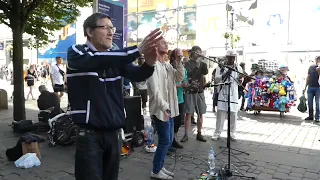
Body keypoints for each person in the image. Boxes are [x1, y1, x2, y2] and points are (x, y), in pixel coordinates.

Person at [66, 13, 162, 180]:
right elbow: (97, 60)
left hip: (114, 133)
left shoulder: (115, 57)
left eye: (112, 28)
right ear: (89, 31)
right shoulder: (77, 52)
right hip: (89, 135)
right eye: (106, 28)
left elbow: (138, 75)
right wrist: (137, 50)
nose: (111, 32)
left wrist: (150, 63)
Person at [147, 39, 184, 179]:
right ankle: (156, 171)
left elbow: (179, 77)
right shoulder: (153, 66)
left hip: (170, 110)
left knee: (168, 141)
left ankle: (159, 168)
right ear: (155, 47)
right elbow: (155, 92)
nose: (166, 44)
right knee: (164, 141)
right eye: (162, 43)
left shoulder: (167, 65)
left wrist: (179, 61)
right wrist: (165, 107)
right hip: (161, 110)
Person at [212, 50, 243, 141]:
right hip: (223, 92)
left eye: (234, 57)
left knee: (233, 114)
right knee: (221, 113)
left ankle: (232, 133)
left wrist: (240, 80)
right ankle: (217, 133)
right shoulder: (220, 67)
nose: (233, 59)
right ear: (227, 57)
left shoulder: (238, 67)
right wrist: (225, 74)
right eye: (231, 57)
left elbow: (239, 81)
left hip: (233, 93)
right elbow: (216, 79)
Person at [180, 46, 208, 143]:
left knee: (200, 113)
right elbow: (190, 74)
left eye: (200, 52)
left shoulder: (202, 63)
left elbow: (206, 72)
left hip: (199, 91)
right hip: (189, 91)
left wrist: (202, 62)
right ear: (192, 53)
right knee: (188, 113)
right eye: (197, 52)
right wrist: (196, 66)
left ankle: (199, 133)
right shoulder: (187, 63)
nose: (198, 53)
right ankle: (186, 134)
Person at [169, 48, 188, 149]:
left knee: (178, 121)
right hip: (171, 99)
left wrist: (188, 85)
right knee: (171, 121)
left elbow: (185, 80)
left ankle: (174, 139)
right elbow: (168, 85)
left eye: (181, 56)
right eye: (178, 56)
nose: (180, 58)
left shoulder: (182, 68)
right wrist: (181, 85)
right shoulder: (169, 68)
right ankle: (169, 142)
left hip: (180, 98)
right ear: (173, 57)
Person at [304, 56, 320, 122]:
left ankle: (317, 117)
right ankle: (310, 116)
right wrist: (305, 87)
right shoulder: (311, 67)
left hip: (318, 88)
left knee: (317, 103)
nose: (318, 61)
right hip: (310, 87)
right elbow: (308, 77)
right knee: (310, 102)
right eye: (317, 60)